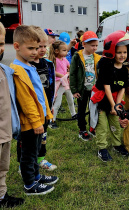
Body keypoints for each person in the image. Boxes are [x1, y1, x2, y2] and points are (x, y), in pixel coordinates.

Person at [10, 25, 58, 195]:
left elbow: (41, 95)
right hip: (30, 123)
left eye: (37, 48)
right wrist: (37, 121)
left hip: (40, 119)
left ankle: (36, 176)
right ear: (16, 46)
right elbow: (27, 101)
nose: (35, 52)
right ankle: (30, 184)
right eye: (30, 48)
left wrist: (48, 114)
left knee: (36, 151)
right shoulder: (18, 69)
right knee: (28, 154)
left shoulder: (29, 66)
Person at [90, 31, 129, 161]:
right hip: (102, 100)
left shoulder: (124, 70)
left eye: (125, 52)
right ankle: (102, 148)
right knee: (102, 126)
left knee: (115, 123)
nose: (122, 55)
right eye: (119, 52)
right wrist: (112, 105)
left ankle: (117, 145)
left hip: (114, 101)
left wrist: (118, 105)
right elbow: (106, 86)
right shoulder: (106, 65)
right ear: (112, 51)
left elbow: (122, 88)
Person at [0, 22, 24, 208]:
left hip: (5, 130)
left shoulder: (3, 70)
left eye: (1, 43)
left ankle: (1, 195)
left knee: (3, 166)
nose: (0, 49)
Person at [28, 26, 57, 171]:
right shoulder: (27, 66)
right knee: (29, 140)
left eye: (45, 46)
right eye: (39, 46)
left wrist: (50, 104)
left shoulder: (48, 64)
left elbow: (50, 87)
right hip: (32, 111)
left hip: (45, 108)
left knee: (43, 136)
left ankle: (40, 159)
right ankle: (26, 165)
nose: (42, 49)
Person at [70, 31, 101, 141]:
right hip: (82, 89)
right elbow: (72, 73)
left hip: (94, 90)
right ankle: (82, 130)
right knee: (82, 110)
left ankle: (92, 127)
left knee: (94, 109)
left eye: (96, 45)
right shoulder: (77, 56)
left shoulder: (97, 57)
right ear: (84, 44)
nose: (95, 48)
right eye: (92, 45)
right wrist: (74, 90)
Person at [48, 40, 77, 128]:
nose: (66, 52)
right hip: (58, 84)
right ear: (57, 51)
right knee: (57, 103)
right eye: (64, 50)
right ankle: (51, 120)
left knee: (70, 99)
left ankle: (74, 114)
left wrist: (70, 72)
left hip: (65, 83)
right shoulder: (54, 60)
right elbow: (54, 72)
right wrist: (63, 75)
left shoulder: (64, 60)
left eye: (66, 50)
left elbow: (70, 67)